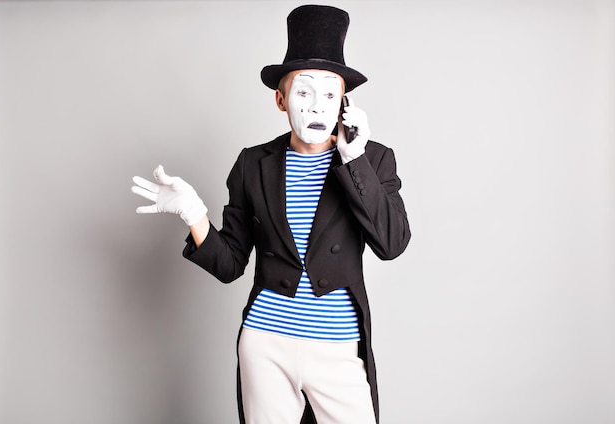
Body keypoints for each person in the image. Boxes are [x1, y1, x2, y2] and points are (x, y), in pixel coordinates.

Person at [131, 5, 410, 423]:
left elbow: (392, 244)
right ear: (280, 100)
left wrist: (354, 159)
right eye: (303, 92)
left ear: (343, 105)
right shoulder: (252, 164)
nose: (317, 106)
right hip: (266, 342)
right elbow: (230, 265)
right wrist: (195, 214)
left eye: (329, 94)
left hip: (337, 345)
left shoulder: (373, 160)